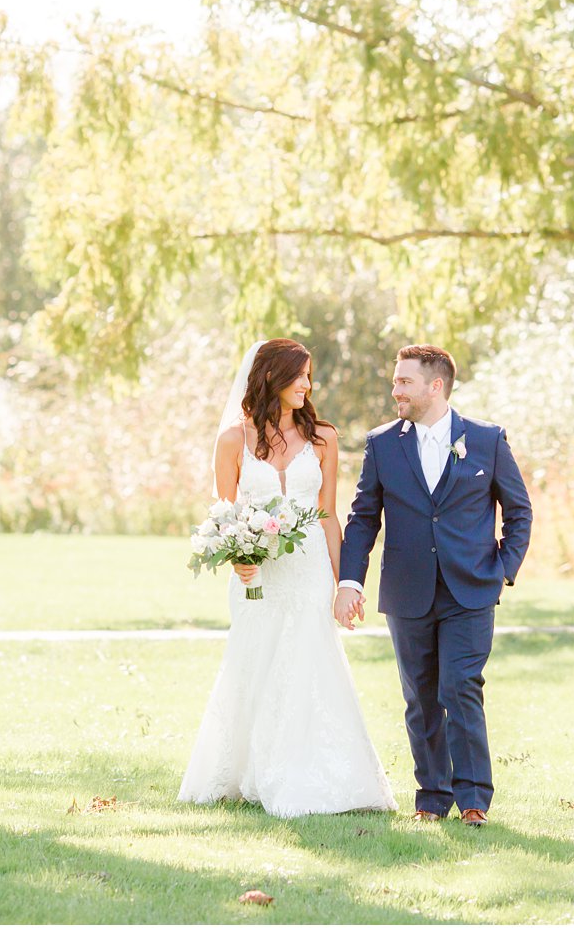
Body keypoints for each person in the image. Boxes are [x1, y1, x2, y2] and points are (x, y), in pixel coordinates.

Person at [178, 338, 396, 817]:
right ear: (272, 377)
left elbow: (328, 517)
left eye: (309, 376)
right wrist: (238, 558)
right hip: (259, 575)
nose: (308, 384)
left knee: (309, 662)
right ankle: (248, 769)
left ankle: (307, 770)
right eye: (299, 375)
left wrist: (344, 585)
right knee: (254, 659)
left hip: (310, 570)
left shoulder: (323, 438)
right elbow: (225, 515)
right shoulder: (233, 440)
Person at [337, 344, 532, 828]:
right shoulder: (383, 443)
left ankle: (473, 800)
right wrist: (349, 580)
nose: (395, 389)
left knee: (460, 685)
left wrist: (502, 566)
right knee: (421, 695)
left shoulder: (486, 440)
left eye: (404, 381)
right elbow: (363, 518)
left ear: (435, 385)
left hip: (471, 589)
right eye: (396, 381)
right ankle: (431, 797)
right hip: (408, 589)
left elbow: (519, 509)